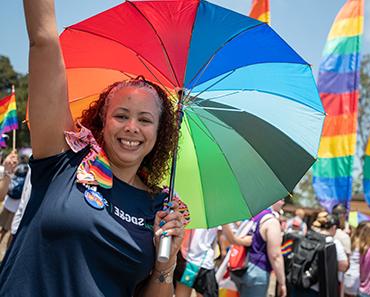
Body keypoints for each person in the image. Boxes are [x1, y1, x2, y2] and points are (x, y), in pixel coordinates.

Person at [0, 0, 189, 296]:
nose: (132, 128)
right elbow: (44, 43)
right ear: (102, 121)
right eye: (121, 116)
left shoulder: (160, 209)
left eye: (145, 119)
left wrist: (166, 265)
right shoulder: (63, 161)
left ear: (160, 132)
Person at [231, 200, 287, 297]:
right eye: (281, 199)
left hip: (239, 267)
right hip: (257, 273)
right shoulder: (271, 222)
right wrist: (282, 282)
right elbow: (275, 256)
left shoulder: (254, 215)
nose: (283, 203)